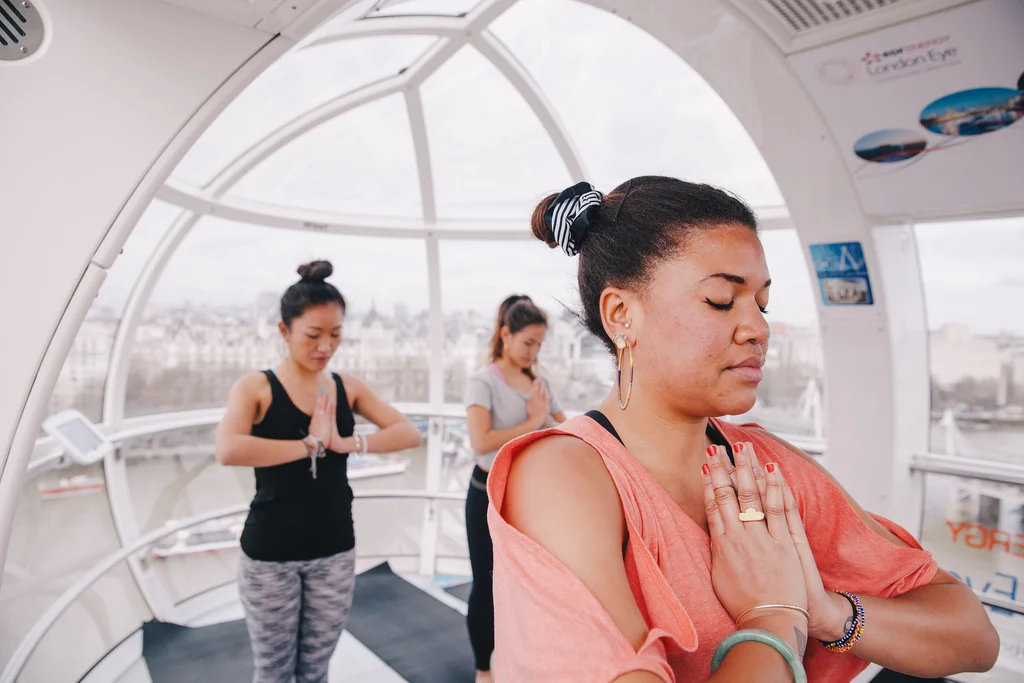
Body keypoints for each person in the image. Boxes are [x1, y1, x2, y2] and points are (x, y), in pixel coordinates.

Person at [485, 178, 999, 682]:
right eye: (721, 301)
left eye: (763, 303)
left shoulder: (763, 465)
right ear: (621, 315)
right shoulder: (561, 476)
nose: (758, 328)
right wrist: (771, 616)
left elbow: (973, 637)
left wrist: (824, 611)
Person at [214, 260, 422, 683]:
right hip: (271, 554)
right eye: (313, 335)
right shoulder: (256, 387)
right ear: (283, 330)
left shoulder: (348, 387)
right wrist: (309, 444)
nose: (325, 346)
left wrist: (347, 443)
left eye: (335, 335)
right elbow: (228, 449)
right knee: (273, 672)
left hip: (334, 550)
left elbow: (408, 433)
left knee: (314, 671)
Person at [463, 295, 567, 682]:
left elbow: (562, 429)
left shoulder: (539, 382)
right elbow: (481, 441)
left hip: (528, 501)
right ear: (505, 335)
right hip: (487, 496)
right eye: (528, 343)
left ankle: (519, 662)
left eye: (539, 344)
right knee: (486, 585)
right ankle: (483, 669)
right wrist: (533, 421)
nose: (533, 351)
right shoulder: (483, 381)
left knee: (526, 587)